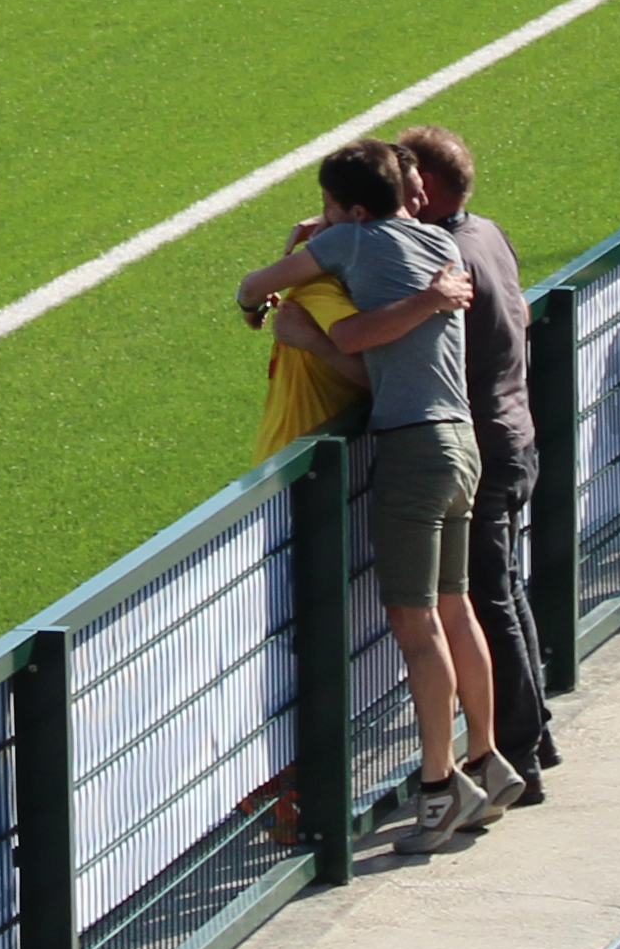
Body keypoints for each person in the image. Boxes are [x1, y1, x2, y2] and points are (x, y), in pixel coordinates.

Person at [237, 139, 525, 854]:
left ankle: (439, 786)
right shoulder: (437, 240)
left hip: (414, 447)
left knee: (414, 622)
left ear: (353, 212)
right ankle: (487, 759)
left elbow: (257, 286)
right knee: (456, 606)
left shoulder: (354, 247)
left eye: (332, 207)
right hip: (463, 444)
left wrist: (292, 301)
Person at [397, 125, 560, 803]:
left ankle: (515, 753)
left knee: (487, 599)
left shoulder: (448, 262)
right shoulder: (485, 233)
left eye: (405, 186)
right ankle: (534, 732)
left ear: (427, 188)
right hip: (517, 432)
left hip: (487, 446)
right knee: (505, 592)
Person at [252, 147, 427, 464]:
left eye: (327, 206)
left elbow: (380, 377)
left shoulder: (322, 288)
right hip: (314, 457)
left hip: (304, 463)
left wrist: (308, 339)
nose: (420, 206)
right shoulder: (432, 254)